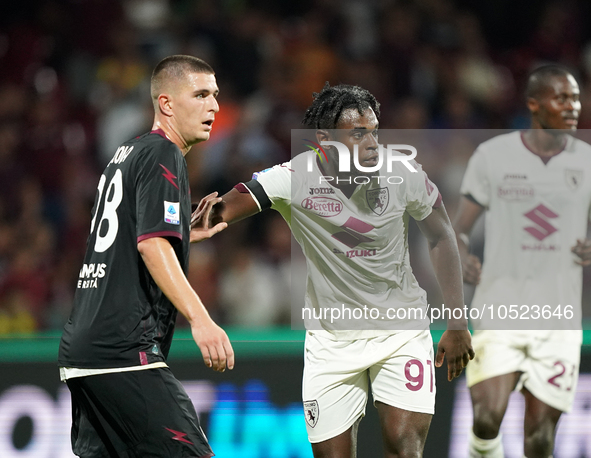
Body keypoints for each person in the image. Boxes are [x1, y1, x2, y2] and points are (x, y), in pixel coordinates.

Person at [200, 83, 474, 458]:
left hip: (401, 332)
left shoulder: (403, 173)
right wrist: (182, 223)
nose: (373, 143)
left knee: (404, 448)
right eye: (358, 134)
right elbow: (227, 208)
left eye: (374, 131)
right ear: (324, 139)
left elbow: (442, 236)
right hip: (331, 343)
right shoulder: (294, 176)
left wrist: (457, 322)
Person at [58, 55, 232, 458]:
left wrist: (183, 232)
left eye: (216, 96)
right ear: (167, 103)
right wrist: (201, 319)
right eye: (201, 94)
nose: (214, 106)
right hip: (122, 351)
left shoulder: (128, 152)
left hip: (84, 348)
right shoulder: (164, 155)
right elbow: (150, 244)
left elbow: (126, 235)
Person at [453, 65, 591, 458]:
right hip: (499, 311)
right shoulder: (493, 156)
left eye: (576, 98)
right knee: (485, 419)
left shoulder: (587, 161)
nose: (573, 107)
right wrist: (461, 254)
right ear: (534, 103)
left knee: (540, 440)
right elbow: (459, 228)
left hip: (560, 321)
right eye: (561, 98)